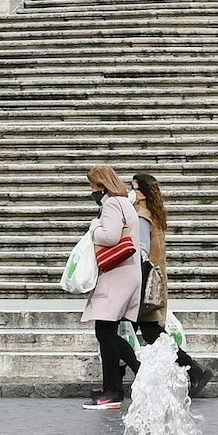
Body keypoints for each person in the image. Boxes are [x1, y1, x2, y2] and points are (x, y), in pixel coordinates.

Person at [129, 170, 215, 397]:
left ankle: (194, 369)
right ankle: (193, 370)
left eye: (135, 188)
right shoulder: (155, 213)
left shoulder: (141, 214)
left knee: (144, 333)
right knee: (145, 332)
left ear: (144, 193)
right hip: (155, 278)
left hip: (143, 280)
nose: (131, 192)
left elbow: (142, 251)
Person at [75, 166, 145, 408]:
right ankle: (117, 383)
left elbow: (110, 236)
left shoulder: (112, 204)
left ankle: (115, 390)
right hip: (126, 274)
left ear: (101, 185)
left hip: (117, 275)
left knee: (105, 332)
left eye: (93, 185)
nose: (91, 190)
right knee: (107, 332)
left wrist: (94, 226)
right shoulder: (125, 202)